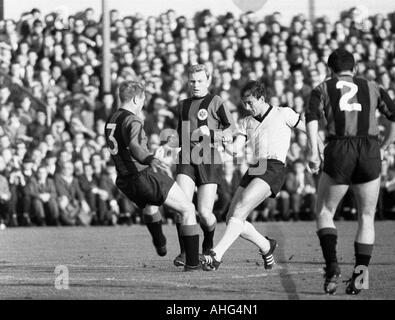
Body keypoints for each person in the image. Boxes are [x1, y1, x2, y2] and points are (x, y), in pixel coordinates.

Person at [305, 48, 395, 295]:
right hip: (369, 148)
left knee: (325, 211)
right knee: (367, 216)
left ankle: (333, 266)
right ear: (355, 68)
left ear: (330, 70)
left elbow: (311, 118)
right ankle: (360, 278)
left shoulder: (323, 88)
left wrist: (313, 152)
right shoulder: (372, 86)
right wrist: (384, 147)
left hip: (339, 147)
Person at [200, 80, 306, 271]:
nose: (247, 108)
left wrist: (319, 151)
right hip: (256, 167)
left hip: (274, 167)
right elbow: (234, 150)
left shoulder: (283, 113)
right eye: (244, 104)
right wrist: (217, 136)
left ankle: (216, 255)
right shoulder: (246, 122)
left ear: (262, 98)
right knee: (232, 216)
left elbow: (308, 129)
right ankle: (267, 246)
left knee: (240, 211)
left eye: (250, 103)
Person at [104, 80, 201, 271]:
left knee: (151, 205)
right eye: (142, 100)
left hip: (124, 180)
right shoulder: (132, 119)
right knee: (188, 209)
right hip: (141, 175)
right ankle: (192, 263)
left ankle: (159, 240)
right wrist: (150, 159)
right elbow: (134, 146)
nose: (142, 105)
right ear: (135, 99)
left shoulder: (111, 119)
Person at [173, 64, 237, 267]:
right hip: (186, 160)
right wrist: (167, 147)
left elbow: (231, 129)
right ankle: (184, 253)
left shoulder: (215, 101)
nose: (196, 85)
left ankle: (208, 245)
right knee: (181, 207)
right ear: (187, 82)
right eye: (192, 81)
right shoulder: (182, 105)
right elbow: (180, 134)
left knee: (205, 213)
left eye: (200, 81)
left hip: (209, 160)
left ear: (208, 81)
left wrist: (213, 133)